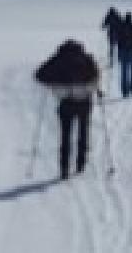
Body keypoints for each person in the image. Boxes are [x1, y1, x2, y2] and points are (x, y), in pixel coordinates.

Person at [34, 40, 100, 180]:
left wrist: (53, 83)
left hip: (66, 102)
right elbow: (95, 76)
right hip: (84, 101)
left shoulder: (58, 59)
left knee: (65, 136)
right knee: (83, 132)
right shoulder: (87, 58)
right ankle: (80, 164)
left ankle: (64, 169)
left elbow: (39, 74)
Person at [108, 12, 132, 98]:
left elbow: (114, 38)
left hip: (122, 51)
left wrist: (113, 46)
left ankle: (125, 91)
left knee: (124, 71)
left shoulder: (120, 27)